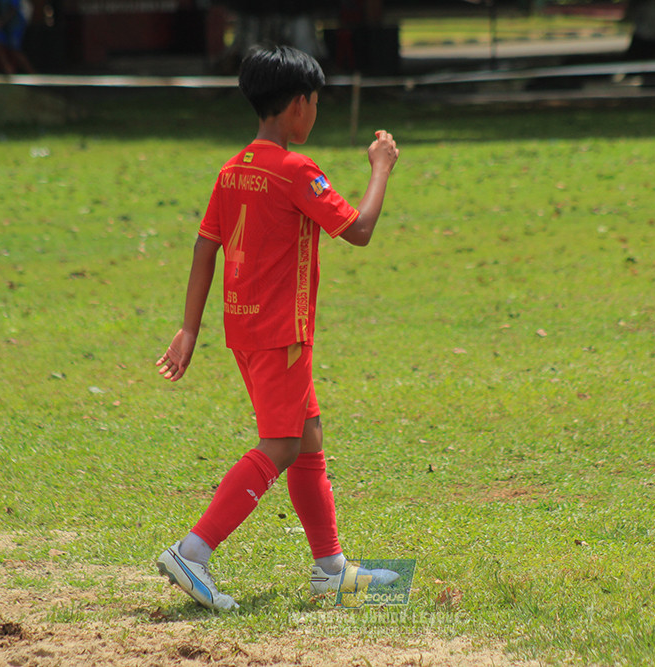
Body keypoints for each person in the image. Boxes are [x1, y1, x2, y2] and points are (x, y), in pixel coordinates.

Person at [154, 44, 401, 611]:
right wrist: (380, 168)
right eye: (315, 103)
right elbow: (358, 230)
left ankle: (330, 568)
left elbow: (204, 245)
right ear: (298, 105)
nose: (316, 113)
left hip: (243, 330)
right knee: (283, 443)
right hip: (283, 333)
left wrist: (189, 329)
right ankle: (193, 550)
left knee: (307, 435)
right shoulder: (296, 171)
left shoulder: (233, 169)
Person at [0, 0, 34, 74]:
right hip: (2, 22)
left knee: (14, 48)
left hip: (16, 20)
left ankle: (32, 74)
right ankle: (9, 70)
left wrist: (0, 23)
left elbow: (13, 9)